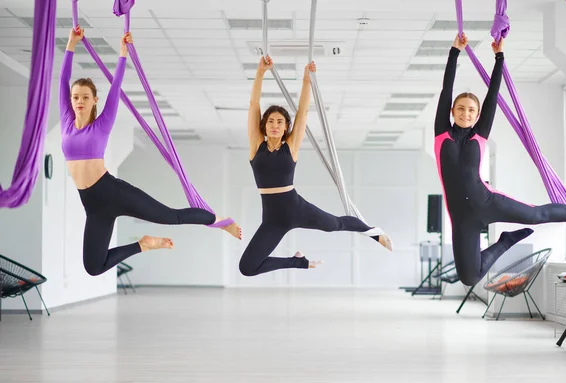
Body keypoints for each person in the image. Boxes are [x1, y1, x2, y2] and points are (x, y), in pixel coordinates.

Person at [60, 26, 241, 276]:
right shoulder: (67, 123)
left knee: (171, 217)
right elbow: (62, 81)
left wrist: (123, 54)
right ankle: (143, 245)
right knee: (93, 266)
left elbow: (115, 90)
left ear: (94, 100)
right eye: (75, 97)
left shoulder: (102, 124)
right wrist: (70, 44)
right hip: (92, 205)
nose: (78, 101)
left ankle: (220, 221)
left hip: (113, 192)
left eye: (85, 97)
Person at [434, 33, 566, 286]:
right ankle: (506, 241)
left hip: (487, 202)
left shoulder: (480, 134)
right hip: (462, 216)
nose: (465, 113)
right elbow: (447, 89)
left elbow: (492, 96)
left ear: (477, 115)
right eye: (461, 108)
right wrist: (454, 52)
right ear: (452, 111)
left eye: (471, 110)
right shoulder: (441, 133)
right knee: (468, 277)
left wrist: (499, 57)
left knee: (537, 215)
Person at [239, 55, 392, 277]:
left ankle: (373, 232)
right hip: (272, 220)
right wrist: (260, 72)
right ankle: (297, 262)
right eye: (270, 121)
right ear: (264, 125)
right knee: (247, 268)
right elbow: (254, 105)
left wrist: (306, 80)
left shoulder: (290, 146)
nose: (274, 125)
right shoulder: (256, 146)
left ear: (285, 128)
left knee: (334, 224)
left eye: (280, 122)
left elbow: (302, 112)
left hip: (296, 208)